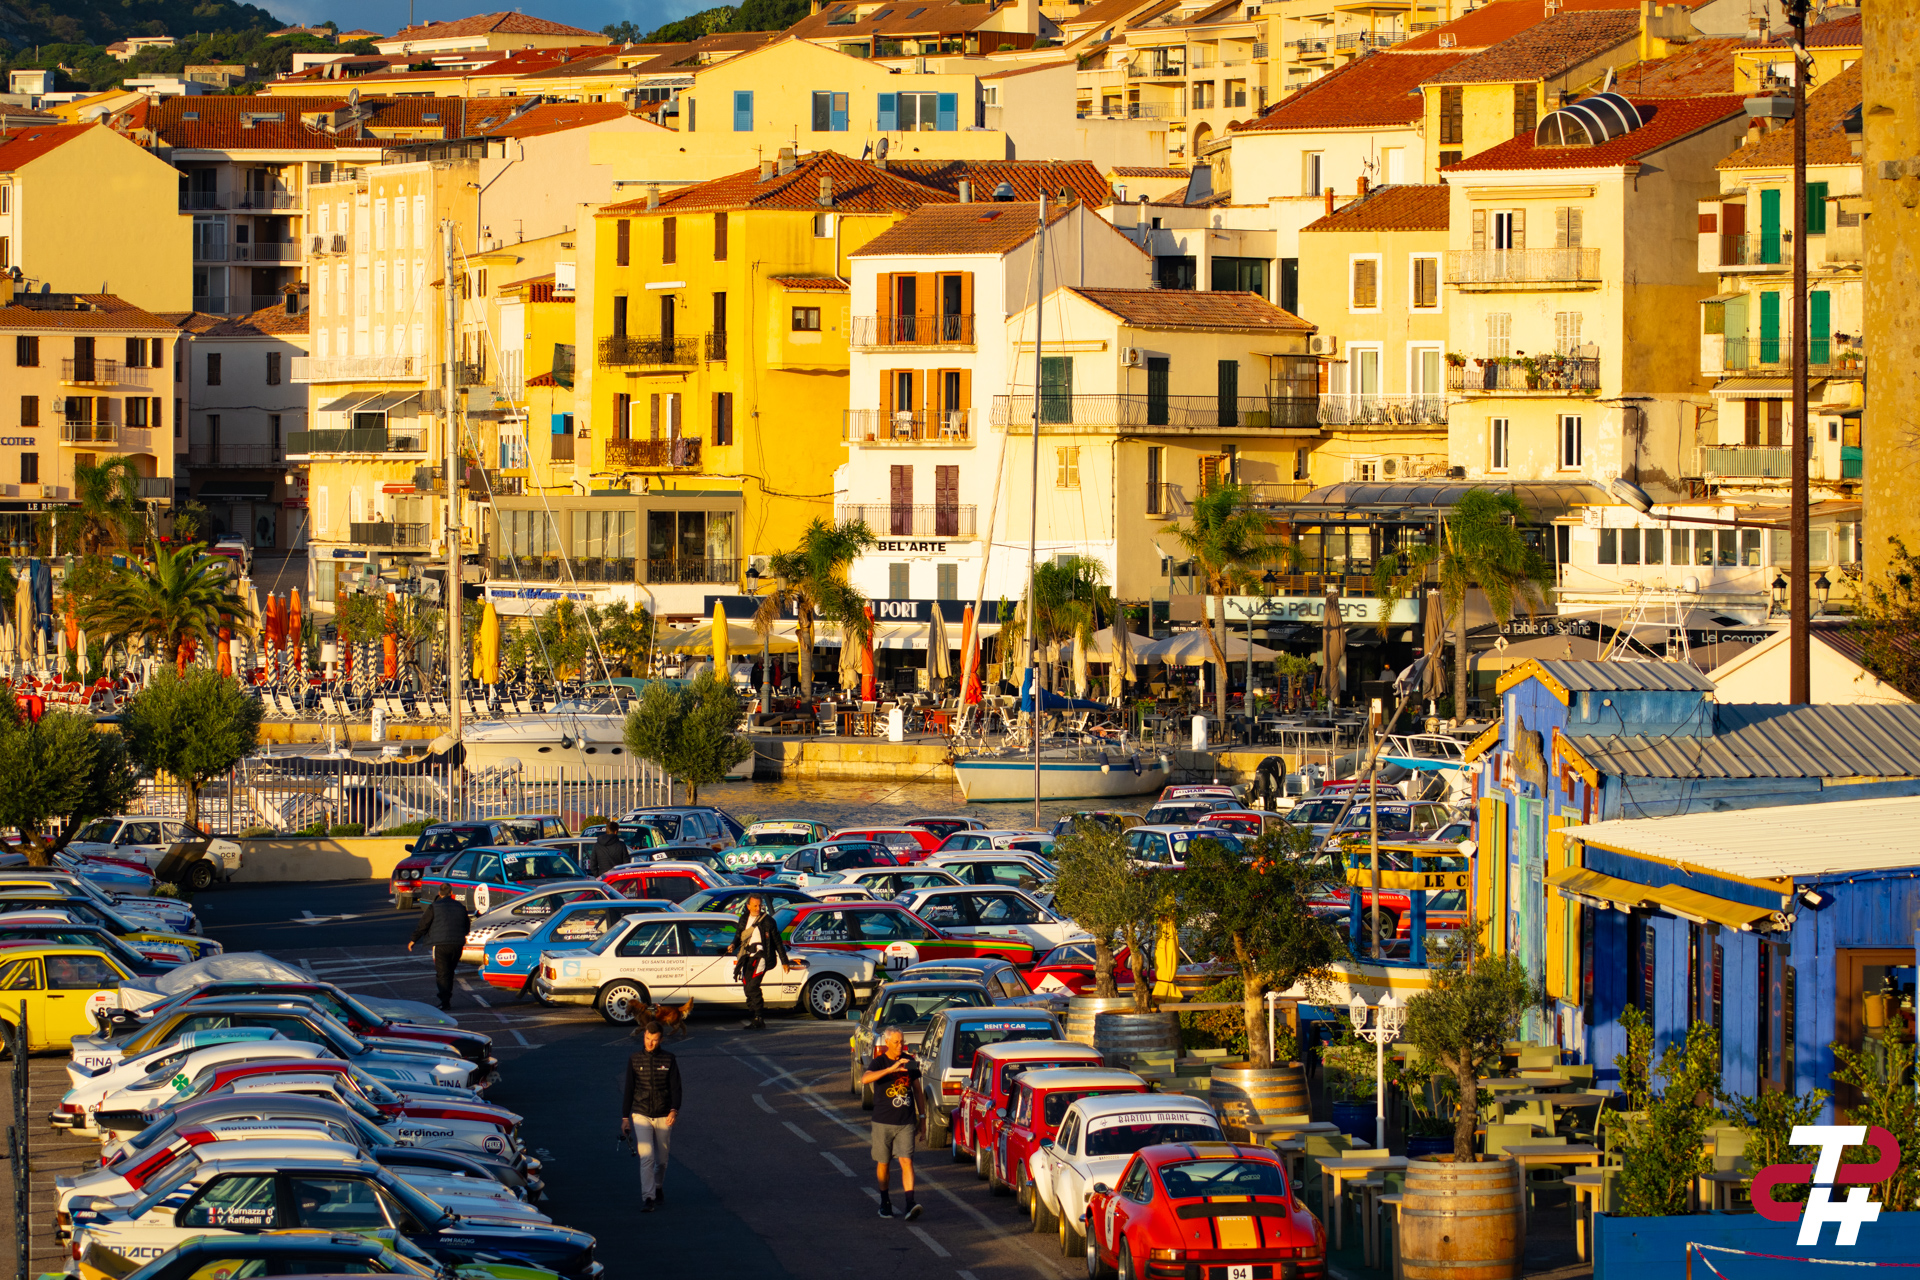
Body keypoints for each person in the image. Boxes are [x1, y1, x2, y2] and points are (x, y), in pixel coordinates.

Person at [858, 1028, 921, 1220]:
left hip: (905, 1121)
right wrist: (891, 1069)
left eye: (902, 1041)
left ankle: (910, 1203)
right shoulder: (879, 1062)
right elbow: (865, 1078)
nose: (900, 1045)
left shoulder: (909, 1060)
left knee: (906, 1161)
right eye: (896, 1042)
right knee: (883, 1163)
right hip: (883, 1122)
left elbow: (917, 1090)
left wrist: (924, 1118)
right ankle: (885, 1202)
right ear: (887, 1043)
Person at [619, 1020, 681, 1212]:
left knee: (661, 1160)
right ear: (644, 1036)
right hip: (641, 1113)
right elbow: (629, 1088)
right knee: (646, 1157)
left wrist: (674, 1110)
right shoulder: (634, 1059)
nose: (649, 1043)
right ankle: (648, 1198)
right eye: (647, 1038)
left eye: (654, 1040)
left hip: (664, 1114)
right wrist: (625, 1117)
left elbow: (676, 1088)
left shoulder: (669, 1059)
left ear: (661, 1039)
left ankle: (658, 1186)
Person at [728, 894, 801, 1031]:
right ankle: (754, 1014)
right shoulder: (744, 919)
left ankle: (758, 1017)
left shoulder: (768, 921)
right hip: (747, 957)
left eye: (759, 906)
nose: (757, 908)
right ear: (748, 906)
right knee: (746, 985)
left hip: (762, 957)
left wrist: (784, 961)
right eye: (754, 906)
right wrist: (733, 944)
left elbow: (777, 942)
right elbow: (739, 936)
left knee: (753, 986)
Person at [407, 884, 471, 1011]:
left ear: (440, 893)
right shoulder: (461, 907)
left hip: (441, 944)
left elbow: (423, 924)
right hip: (457, 944)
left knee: (442, 973)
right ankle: (447, 998)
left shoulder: (434, 907)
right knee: (450, 972)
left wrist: (413, 939)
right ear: (451, 893)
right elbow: (466, 927)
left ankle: (444, 1001)